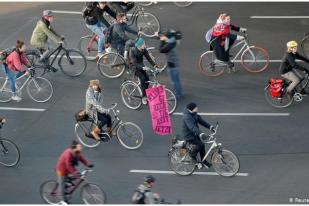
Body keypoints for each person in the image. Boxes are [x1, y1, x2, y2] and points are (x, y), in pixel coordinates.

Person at [182, 102, 215, 169]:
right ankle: (192, 155)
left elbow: (202, 121)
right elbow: (192, 127)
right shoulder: (187, 117)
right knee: (200, 144)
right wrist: (201, 133)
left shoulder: (194, 114)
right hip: (189, 136)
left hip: (194, 133)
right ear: (192, 109)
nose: (197, 108)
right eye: (196, 108)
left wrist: (210, 127)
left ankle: (204, 161)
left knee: (202, 145)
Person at [129, 37, 158, 104]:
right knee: (143, 78)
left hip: (141, 66)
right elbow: (134, 62)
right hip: (134, 68)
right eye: (143, 44)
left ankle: (145, 91)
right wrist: (143, 68)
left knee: (147, 79)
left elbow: (149, 58)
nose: (144, 45)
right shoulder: (132, 50)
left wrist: (154, 65)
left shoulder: (143, 49)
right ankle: (143, 96)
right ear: (139, 45)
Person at [159, 29, 183, 99]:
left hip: (172, 65)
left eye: (163, 36)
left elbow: (161, 50)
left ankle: (178, 95)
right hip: (174, 63)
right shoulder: (172, 40)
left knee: (174, 81)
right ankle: (179, 93)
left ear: (167, 37)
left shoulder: (170, 45)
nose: (162, 37)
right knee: (177, 80)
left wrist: (161, 41)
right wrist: (161, 38)